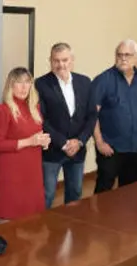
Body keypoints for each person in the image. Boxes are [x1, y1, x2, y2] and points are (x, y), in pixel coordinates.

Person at [91, 40, 137, 193]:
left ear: (136, 58)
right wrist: (99, 142)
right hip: (110, 148)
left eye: (127, 55)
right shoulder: (103, 80)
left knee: (131, 192)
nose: (123, 59)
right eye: (119, 55)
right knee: (104, 190)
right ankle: (100, 217)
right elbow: (92, 114)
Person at [36, 43, 96, 208]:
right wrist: (63, 143)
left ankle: (70, 229)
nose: (61, 65)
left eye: (65, 60)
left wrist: (80, 141)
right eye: (56, 61)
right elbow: (42, 119)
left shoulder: (85, 82)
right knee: (47, 194)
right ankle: (44, 230)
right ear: (50, 61)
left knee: (75, 192)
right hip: (53, 151)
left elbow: (91, 116)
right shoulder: (41, 84)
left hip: (78, 150)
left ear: (72, 60)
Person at [0, 67, 49, 221]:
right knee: (10, 222)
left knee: (33, 221)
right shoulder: (2, 111)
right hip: (11, 175)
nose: (24, 87)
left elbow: (34, 134)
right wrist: (30, 141)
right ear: (11, 85)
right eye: (19, 82)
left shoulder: (34, 108)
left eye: (27, 82)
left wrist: (43, 141)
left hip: (32, 172)